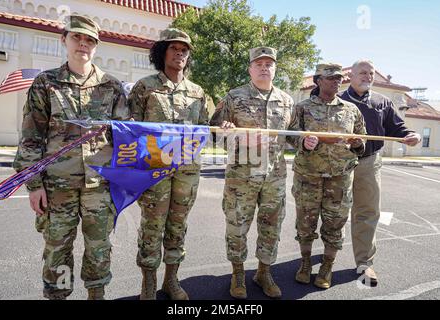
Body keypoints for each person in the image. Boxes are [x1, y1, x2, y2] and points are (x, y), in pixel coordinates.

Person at [12, 15, 129, 300]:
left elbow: (125, 137)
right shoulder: (46, 83)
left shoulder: (111, 87)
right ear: (63, 39)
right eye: (77, 37)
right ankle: (59, 296)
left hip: (99, 186)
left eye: (90, 40)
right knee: (58, 248)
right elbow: (31, 137)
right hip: (57, 186)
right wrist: (34, 185)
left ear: (96, 46)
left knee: (99, 246)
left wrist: (123, 179)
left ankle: (96, 294)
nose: (83, 44)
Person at [128, 28, 209, 300]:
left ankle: (171, 280)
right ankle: (148, 281)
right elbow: (130, 128)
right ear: (162, 52)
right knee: (152, 226)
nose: (180, 53)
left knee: (178, 225)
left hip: (186, 173)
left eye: (184, 49)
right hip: (154, 172)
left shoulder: (198, 92)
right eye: (174, 48)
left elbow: (205, 129)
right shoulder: (145, 87)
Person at [210, 47, 294, 299]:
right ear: (250, 68)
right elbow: (215, 134)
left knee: (271, 226)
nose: (264, 67)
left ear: (275, 68)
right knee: (237, 226)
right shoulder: (234, 97)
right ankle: (237, 273)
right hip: (241, 177)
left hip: (274, 177)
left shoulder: (287, 101)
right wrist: (235, 137)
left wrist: (307, 142)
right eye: (259, 63)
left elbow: (294, 136)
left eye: (269, 63)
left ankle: (263, 272)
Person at [340, 60, 421, 286]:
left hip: (369, 163)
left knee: (366, 212)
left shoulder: (382, 102)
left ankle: (364, 263)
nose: (367, 76)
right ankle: (326, 258)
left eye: (371, 73)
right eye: (362, 72)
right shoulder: (338, 101)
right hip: (339, 163)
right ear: (351, 76)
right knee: (333, 212)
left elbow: (399, 128)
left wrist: (411, 134)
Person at [288, 63, 366, 289]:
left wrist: (358, 143)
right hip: (308, 176)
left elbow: (363, 137)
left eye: (339, 78)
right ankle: (304, 263)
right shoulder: (302, 107)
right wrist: (303, 141)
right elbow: (291, 135)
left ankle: (327, 266)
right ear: (318, 80)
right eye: (330, 77)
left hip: (339, 178)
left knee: (335, 224)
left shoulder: (351, 109)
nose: (336, 81)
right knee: (305, 223)